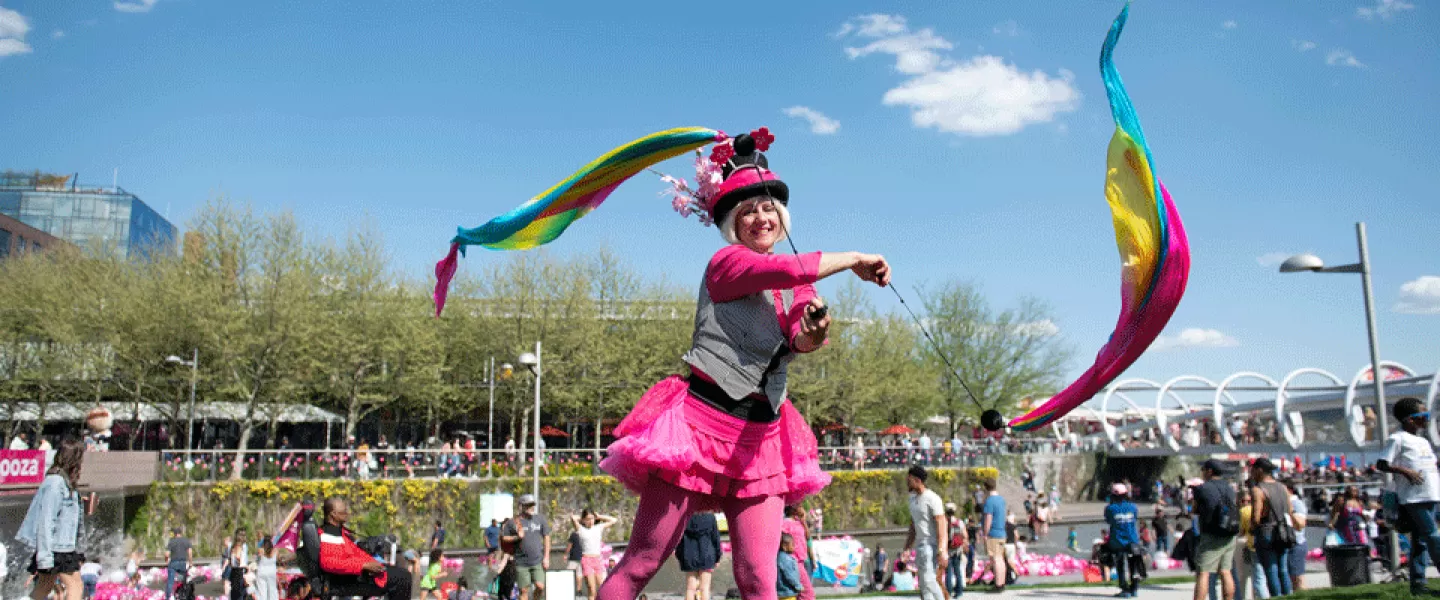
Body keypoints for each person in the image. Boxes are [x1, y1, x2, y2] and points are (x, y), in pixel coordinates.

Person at [595, 129, 891, 600]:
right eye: (749, 209)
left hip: (763, 439)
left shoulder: (798, 283)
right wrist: (853, 258)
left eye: (769, 207)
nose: (761, 217)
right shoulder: (727, 263)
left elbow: (801, 333)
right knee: (643, 563)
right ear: (733, 221)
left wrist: (814, 331)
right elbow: (787, 270)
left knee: (759, 578)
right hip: (696, 430)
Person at [1377, 398, 1440, 595]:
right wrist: (1405, 471)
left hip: (1431, 494)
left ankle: (1418, 585)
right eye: (1424, 416)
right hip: (1414, 498)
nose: (1427, 420)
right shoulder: (1398, 439)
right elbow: (1382, 464)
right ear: (1409, 420)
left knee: (1420, 541)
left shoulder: (1423, 441)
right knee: (1433, 536)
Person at [16, 436, 86, 600]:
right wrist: (45, 559)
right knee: (75, 586)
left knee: (45, 586)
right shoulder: (55, 483)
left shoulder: (64, 482)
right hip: (56, 549)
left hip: (59, 547)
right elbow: (46, 521)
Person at [317, 497, 413, 600]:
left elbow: (352, 553)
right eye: (343, 511)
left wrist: (373, 561)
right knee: (402, 577)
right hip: (351, 580)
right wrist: (364, 565)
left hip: (360, 574)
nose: (347, 513)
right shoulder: (328, 535)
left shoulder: (338, 532)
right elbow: (328, 562)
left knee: (401, 574)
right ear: (333, 514)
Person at [1191, 460, 1238, 600]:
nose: (1203, 473)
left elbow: (1194, 509)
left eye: (1203, 470)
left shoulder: (1202, 488)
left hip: (1211, 533)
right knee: (1225, 571)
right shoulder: (1229, 488)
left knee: (1203, 572)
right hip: (1230, 532)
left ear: (1209, 471)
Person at [1249, 458, 1293, 597]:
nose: (1251, 473)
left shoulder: (1258, 490)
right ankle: (1289, 596)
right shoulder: (1282, 487)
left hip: (1266, 532)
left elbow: (1256, 517)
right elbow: (1290, 510)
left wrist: (1250, 528)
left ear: (1259, 470)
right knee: (1283, 569)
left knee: (1271, 569)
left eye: (1253, 470)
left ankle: (1276, 596)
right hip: (1283, 531)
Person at [903, 466, 948, 600]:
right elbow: (913, 526)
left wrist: (942, 549)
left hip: (931, 544)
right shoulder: (912, 499)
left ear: (917, 480)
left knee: (929, 580)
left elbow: (942, 524)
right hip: (920, 545)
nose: (907, 482)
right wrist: (907, 548)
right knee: (923, 584)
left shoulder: (932, 498)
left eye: (909, 479)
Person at [501, 494, 551, 600]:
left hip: (537, 560)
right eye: (528, 505)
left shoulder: (540, 519)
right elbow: (504, 538)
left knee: (540, 586)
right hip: (521, 562)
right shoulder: (513, 522)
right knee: (524, 590)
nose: (531, 507)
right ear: (521, 506)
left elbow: (547, 537)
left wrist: (546, 557)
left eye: (532, 505)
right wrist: (516, 537)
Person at [570, 510, 618, 600]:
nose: (590, 521)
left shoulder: (598, 527)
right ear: (584, 520)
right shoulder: (580, 529)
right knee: (592, 589)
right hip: (586, 560)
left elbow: (614, 520)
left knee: (602, 587)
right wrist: (583, 519)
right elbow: (573, 518)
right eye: (588, 519)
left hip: (597, 560)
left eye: (592, 518)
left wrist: (599, 516)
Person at [1105, 484, 1142, 598]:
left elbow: (1109, 521)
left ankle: (1124, 589)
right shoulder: (1133, 507)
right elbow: (1135, 518)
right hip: (1132, 539)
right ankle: (1134, 587)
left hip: (1118, 540)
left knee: (1120, 565)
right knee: (1133, 564)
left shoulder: (1110, 509)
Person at [981, 479, 1008, 591]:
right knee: (1000, 559)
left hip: (993, 533)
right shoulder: (1001, 500)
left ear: (986, 488)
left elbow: (988, 518)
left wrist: (985, 533)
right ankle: (1001, 582)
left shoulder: (989, 501)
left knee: (996, 559)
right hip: (1002, 532)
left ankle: (998, 584)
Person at [1285, 483, 1307, 592]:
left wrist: (1290, 511)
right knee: (1291, 578)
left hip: (1296, 543)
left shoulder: (1296, 504)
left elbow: (1300, 524)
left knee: (1298, 578)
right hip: (1288, 543)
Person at [162, 527, 192, 600]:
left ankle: (168, 597)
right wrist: (190, 563)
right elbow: (190, 553)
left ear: (175, 534)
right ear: (181, 533)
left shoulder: (172, 541)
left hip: (173, 563)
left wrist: (166, 560)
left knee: (170, 582)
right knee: (182, 581)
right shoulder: (186, 541)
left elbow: (167, 554)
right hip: (182, 563)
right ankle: (183, 596)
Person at [945, 503, 967, 597]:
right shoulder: (960, 522)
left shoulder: (944, 522)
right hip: (957, 549)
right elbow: (965, 535)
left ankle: (948, 592)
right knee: (957, 571)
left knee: (948, 572)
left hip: (947, 550)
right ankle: (959, 592)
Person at [776, 534, 803, 600]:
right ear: (784, 546)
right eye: (792, 545)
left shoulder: (777, 557)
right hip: (788, 593)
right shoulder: (786, 559)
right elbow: (790, 575)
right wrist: (798, 586)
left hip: (780, 593)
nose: (794, 547)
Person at [254, 536, 279, 600]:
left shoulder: (261, 550)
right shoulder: (275, 550)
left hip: (261, 571)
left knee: (261, 593)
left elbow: (256, 559)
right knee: (272, 591)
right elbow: (278, 559)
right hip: (271, 572)